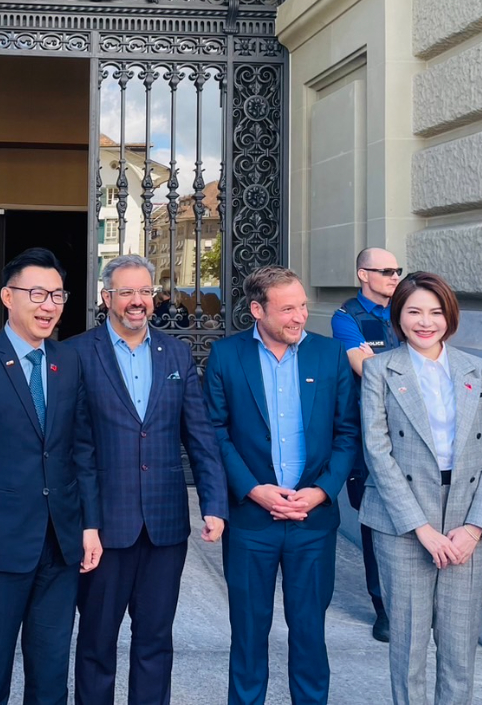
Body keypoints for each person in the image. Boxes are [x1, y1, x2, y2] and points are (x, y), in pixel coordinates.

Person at [0, 247, 103, 705]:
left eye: (57, 295)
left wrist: (90, 524)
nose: (48, 305)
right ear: (7, 297)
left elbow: (81, 449)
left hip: (60, 546)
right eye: (37, 293)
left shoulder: (68, 361)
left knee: (51, 676)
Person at [67, 254, 228, 705]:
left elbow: (199, 434)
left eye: (144, 291)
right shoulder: (78, 353)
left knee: (155, 640)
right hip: (105, 527)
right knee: (97, 644)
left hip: (165, 526)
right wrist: (85, 522)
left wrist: (214, 503)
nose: (137, 301)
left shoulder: (176, 351)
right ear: (106, 298)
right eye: (126, 293)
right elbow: (73, 447)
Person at [204, 266, 358, 705]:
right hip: (252, 520)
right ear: (257, 310)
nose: (299, 316)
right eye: (288, 308)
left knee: (309, 632)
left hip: (313, 520)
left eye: (303, 305)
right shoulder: (227, 356)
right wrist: (253, 489)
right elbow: (215, 431)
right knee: (249, 632)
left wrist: (322, 491)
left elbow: (348, 432)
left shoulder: (329, 356)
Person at [359, 271, 482, 705]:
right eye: (414, 312)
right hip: (402, 518)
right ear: (398, 316)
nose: (426, 322)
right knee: (407, 647)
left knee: (459, 648)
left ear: (450, 316)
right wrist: (420, 528)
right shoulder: (380, 369)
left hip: (467, 515)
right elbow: (377, 452)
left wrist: (475, 528)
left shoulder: (477, 371)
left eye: (436, 312)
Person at [329, 247, 402, 642]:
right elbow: (364, 366)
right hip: (370, 434)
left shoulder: (407, 311)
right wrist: (412, 373)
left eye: (397, 270)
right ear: (363, 274)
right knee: (375, 520)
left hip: (413, 432)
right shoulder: (346, 318)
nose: (394, 277)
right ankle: (384, 607)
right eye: (385, 271)